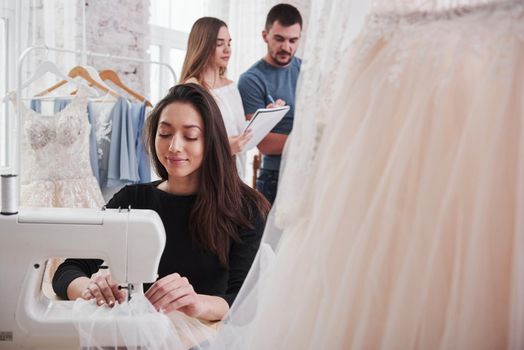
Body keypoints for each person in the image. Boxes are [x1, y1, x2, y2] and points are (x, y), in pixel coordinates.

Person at [52, 83, 270, 322]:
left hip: (209, 334)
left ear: (211, 142)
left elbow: (242, 299)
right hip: (142, 336)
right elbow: (67, 271)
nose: (174, 147)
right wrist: (92, 290)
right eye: (165, 134)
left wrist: (196, 304)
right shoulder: (131, 200)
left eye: (190, 136)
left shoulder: (246, 208)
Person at [238, 3, 302, 204]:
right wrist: (309, 141)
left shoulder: (308, 71)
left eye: (293, 40)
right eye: (279, 39)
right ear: (265, 35)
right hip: (275, 176)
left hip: (311, 172)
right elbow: (262, 141)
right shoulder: (252, 79)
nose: (286, 47)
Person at [180, 17, 252, 180]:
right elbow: (189, 142)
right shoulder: (192, 89)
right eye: (220, 44)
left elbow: (235, 128)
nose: (227, 50)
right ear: (203, 46)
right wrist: (227, 147)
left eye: (229, 43)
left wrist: (264, 118)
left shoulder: (231, 87)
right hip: (209, 178)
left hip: (236, 176)